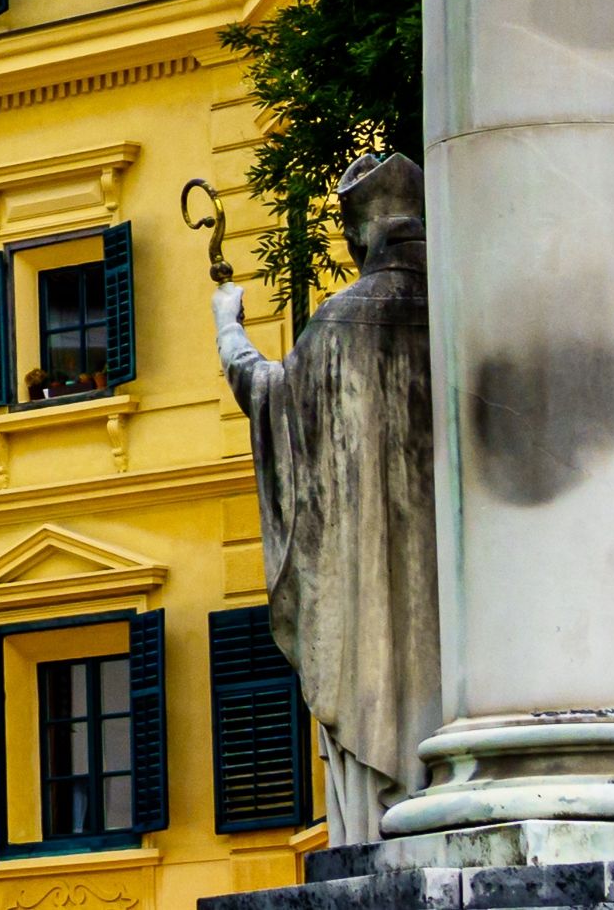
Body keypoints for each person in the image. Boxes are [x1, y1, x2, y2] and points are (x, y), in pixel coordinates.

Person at [217, 153, 444, 845]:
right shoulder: (470, 314)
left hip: (368, 587)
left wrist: (227, 324)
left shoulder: (345, 320)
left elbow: (268, 397)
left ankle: (373, 818)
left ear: (360, 236)